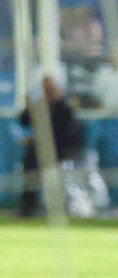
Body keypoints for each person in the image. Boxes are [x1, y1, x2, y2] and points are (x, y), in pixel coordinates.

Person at [18, 74, 84, 216]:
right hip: (40, 150)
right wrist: (30, 105)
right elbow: (24, 120)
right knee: (30, 164)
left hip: (61, 150)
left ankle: (60, 206)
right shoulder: (39, 107)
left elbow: (67, 135)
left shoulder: (65, 110)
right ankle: (28, 206)